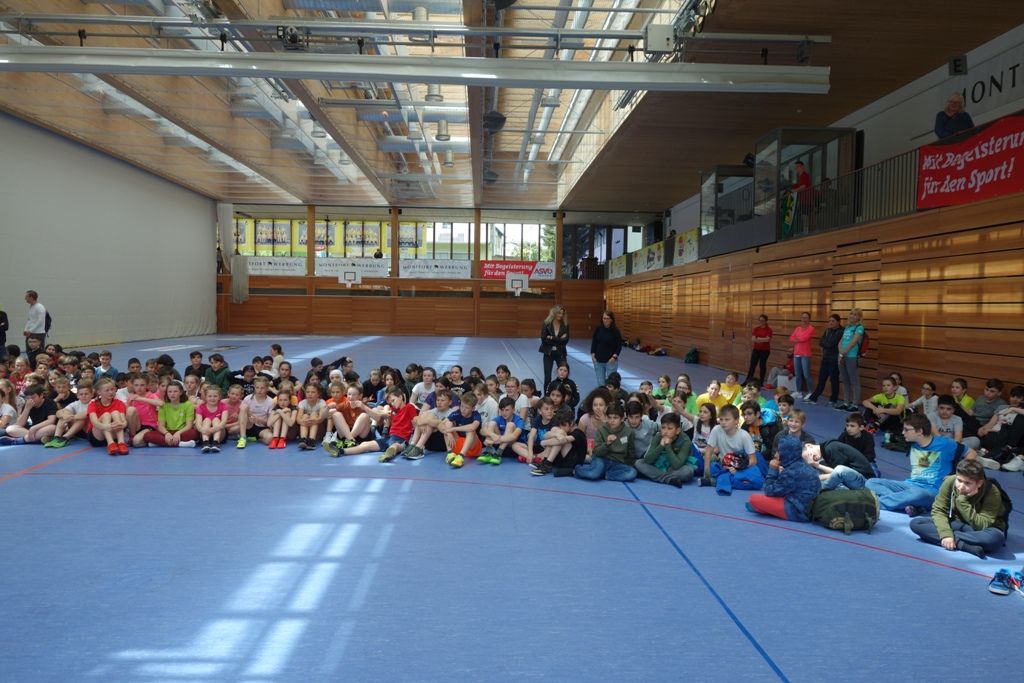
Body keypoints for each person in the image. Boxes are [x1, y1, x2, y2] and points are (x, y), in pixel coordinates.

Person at [865, 414, 973, 516]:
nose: (903, 432)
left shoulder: (945, 444)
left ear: (920, 431)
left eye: (906, 429)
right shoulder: (913, 444)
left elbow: (971, 453)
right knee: (871, 482)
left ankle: (874, 504)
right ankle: (910, 505)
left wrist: (960, 475)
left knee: (918, 495)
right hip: (910, 485)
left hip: (933, 491)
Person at [910, 459, 1007, 558]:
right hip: (956, 523)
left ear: (979, 483)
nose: (961, 487)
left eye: (967, 483)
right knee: (916, 523)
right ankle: (963, 545)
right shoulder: (950, 481)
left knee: (996, 538)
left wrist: (962, 501)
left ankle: (949, 539)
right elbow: (939, 510)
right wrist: (946, 534)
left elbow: (982, 525)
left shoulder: (992, 492)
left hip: (976, 529)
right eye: (959, 480)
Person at [746, 436, 821, 521]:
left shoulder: (792, 472)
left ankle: (768, 510)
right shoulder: (803, 464)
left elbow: (769, 491)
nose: (776, 455)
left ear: (786, 453)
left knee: (754, 499)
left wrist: (772, 470)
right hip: (807, 507)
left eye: (779, 451)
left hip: (798, 512)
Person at [701, 404, 764, 495]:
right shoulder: (716, 430)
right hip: (724, 466)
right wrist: (706, 471)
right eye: (721, 419)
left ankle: (716, 481)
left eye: (727, 420)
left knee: (758, 482)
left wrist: (738, 468)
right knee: (713, 466)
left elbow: (753, 460)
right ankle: (726, 479)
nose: (723, 422)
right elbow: (708, 451)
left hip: (741, 467)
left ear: (736, 421)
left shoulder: (744, 435)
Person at [574, 402, 636, 482]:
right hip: (602, 459)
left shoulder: (629, 432)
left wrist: (628, 465)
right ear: (606, 417)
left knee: (632, 473)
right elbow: (596, 452)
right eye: (609, 417)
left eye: (615, 418)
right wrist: (607, 444)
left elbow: (631, 452)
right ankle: (577, 469)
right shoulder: (601, 430)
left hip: (618, 463)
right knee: (593, 474)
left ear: (622, 418)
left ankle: (607, 475)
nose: (612, 421)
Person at [634, 413, 694, 488]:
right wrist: (661, 446)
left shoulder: (685, 440)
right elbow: (647, 460)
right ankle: (669, 479)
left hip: (675, 467)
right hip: (658, 464)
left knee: (687, 472)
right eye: (663, 428)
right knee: (639, 463)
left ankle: (655, 475)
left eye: (669, 428)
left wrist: (667, 445)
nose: (665, 431)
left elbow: (677, 465)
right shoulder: (658, 436)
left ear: (678, 430)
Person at [144, 380, 199, 448]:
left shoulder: (188, 405)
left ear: (181, 392)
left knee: (195, 433)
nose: (172, 394)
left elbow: (189, 425)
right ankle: (180, 444)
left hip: (182, 432)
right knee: (147, 435)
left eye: (175, 391)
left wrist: (178, 433)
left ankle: (161, 443)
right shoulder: (163, 405)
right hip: (168, 432)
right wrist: (166, 433)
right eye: (170, 392)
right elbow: (161, 426)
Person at [803, 440, 875, 491]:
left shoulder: (830, 448)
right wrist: (815, 465)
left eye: (809, 455)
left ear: (809, 445)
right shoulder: (826, 450)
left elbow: (838, 473)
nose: (812, 459)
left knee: (816, 485)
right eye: (807, 459)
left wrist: (818, 475)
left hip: (865, 481)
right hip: (855, 478)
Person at [806, 314, 843, 406]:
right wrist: (826, 343)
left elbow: (831, 343)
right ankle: (814, 398)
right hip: (825, 358)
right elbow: (821, 342)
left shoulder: (841, 331)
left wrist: (826, 343)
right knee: (821, 379)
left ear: (838, 322)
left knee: (834, 380)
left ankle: (833, 400)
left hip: (834, 359)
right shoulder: (827, 330)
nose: (831, 323)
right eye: (829, 321)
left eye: (833, 321)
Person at [836, 308, 864, 411]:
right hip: (842, 356)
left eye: (855, 314)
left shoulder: (859, 328)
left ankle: (855, 404)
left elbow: (853, 342)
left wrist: (843, 353)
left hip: (851, 356)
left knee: (854, 381)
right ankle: (846, 402)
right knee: (845, 380)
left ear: (859, 317)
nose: (852, 316)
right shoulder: (847, 327)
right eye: (851, 314)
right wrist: (840, 353)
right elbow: (841, 341)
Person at [539, 304, 569, 389]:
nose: (560, 315)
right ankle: (547, 395)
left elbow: (565, 341)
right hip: (548, 353)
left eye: (562, 313)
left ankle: (563, 393)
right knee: (547, 377)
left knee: (564, 375)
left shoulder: (565, 324)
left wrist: (552, 338)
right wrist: (559, 339)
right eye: (559, 313)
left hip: (561, 353)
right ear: (554, 313)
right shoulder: (546, 323)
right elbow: (544, 339)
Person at [590, 310, 622, 387]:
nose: (605, 320)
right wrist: (593, 355)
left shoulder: (615, 331)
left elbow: (619, 345)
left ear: (611, 320)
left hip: (610, 361)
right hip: (598, 360)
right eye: (604, 318)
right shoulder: (598, 329)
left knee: (611, 383)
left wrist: (614, 357)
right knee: (600, 383)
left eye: (607, 318)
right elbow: (594, 342)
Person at [788, 312, 815, 399]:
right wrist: (797, 339)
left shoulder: (811, 328)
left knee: (807, 374)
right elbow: (791, 338)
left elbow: (804, 338)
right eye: (802, 317)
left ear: (809, 319)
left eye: (806, 317)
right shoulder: (797, 328)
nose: (804, 319)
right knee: (797, 374)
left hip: (805, 354)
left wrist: (797, 338)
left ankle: (811, 392)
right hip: (796, 354)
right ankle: (798, 391)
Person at [742, 314, 772, 387]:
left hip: (765, 351)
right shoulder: (756, 329)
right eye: (760, 320)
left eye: (763, 320)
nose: (761, 322)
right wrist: (762, 339)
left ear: (766, 321)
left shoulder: (769, 329)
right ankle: (747, 381)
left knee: (762, 366)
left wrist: (758, 339)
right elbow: (753, 339)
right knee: (752, 365)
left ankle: (761, 383)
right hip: (756, 350)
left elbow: (768, 339)